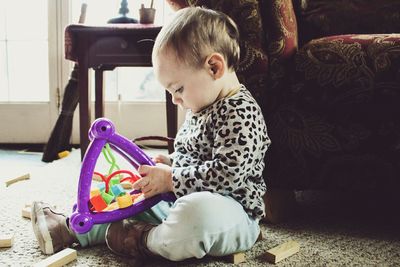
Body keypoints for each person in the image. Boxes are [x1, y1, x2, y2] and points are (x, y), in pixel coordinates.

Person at [31, 7, 271, 262]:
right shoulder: (203, 103)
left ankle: (143, 240)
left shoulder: (241, 113)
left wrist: (171, 180)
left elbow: (227, 176)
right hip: (180, 198)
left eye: (178, 88)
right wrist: (170, 164)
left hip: (232, 214)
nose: (175, 99)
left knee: (196, 214)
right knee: (127, 188)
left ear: (214, 67)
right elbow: (193, 155)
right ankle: (73, 228)